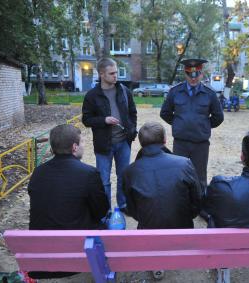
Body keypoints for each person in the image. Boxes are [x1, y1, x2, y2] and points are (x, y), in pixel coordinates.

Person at [28, 124, 109, 279]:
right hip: (78, 254)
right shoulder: (89, 173)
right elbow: (101, 211)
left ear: (52, 149)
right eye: (83, 142)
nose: (84, 146)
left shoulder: (38, 173)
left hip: (42, 255)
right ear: (74, 147)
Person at [82, 57, 137, 214]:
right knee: (104, 181)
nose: (116, 76)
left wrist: (132, 131)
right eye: (112, 73)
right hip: (103, 145)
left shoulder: (125, 91)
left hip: (124, 143)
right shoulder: (92, 96)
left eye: (116, 72)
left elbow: (133, 113)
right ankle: (105, 209)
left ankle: (123, 204)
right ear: (101, 74)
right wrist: (104, 120)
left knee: (123, 177)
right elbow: (86, 120)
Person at [123, 122, 201, 229]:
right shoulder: (184, 164)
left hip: (148, 229)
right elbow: (197, 200)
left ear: (141, 143)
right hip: (182, 227)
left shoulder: (130, 171)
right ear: (164, 140)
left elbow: (132, 209)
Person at [160, 58, 224, 188]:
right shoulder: (175, 92)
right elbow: (165, 113)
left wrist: (203, 125)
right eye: (190, 75)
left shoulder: (209, 93)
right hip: (180, 143)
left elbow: (218, 116)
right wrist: (178, 123)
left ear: (201, 74)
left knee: (199, 178)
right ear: (185, 74)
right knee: (179, 176)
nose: (193, 78)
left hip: (200, 144)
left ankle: (199, 206)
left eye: (196, 75)